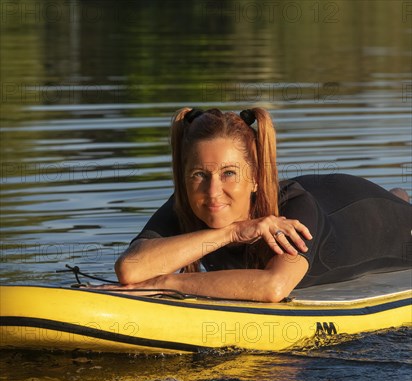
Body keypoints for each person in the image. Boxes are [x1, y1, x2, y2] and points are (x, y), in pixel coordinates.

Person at [114, 107, 411, 302]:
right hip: (329, 196)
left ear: (255, 178)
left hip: (365, 214)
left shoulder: (293, 212)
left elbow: (273, 286)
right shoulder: (190, 202)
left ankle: (399, 200)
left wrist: (170, 283)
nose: (213, 190)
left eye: (229, 173)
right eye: (199, 174)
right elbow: (130, 270)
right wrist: (232, 232)